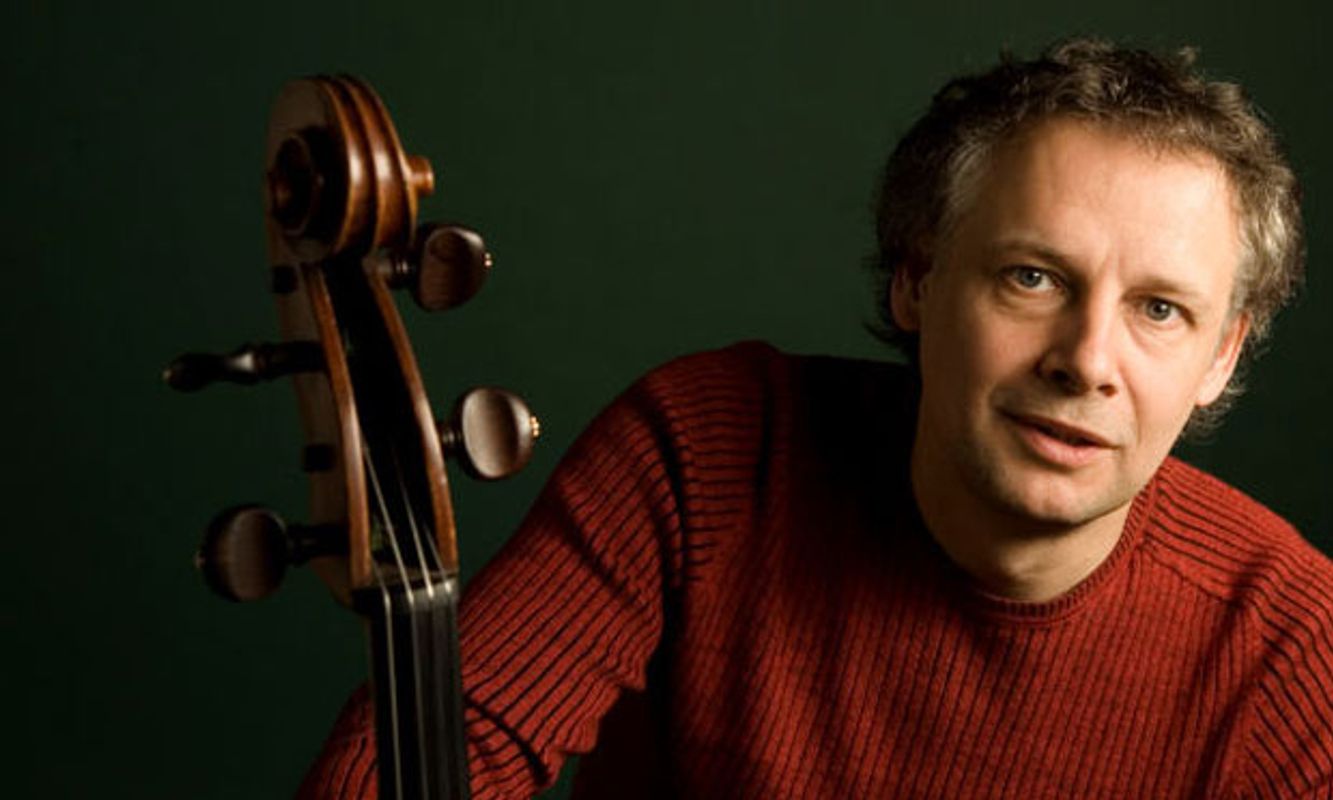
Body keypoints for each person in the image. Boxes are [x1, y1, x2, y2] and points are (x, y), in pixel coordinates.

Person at [299, 38, 1333, 798]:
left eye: (1159, 310)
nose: (1087, 362)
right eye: (1030, 277)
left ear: (1221, 353)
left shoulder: (1292, 648)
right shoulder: (706, 455)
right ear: (917, 281)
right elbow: (416, 760)